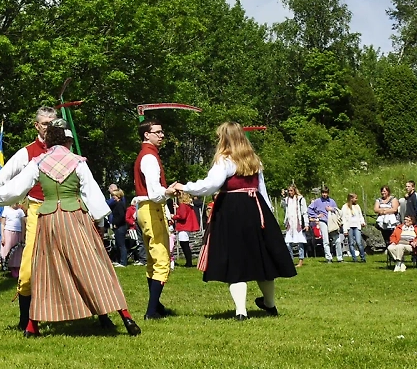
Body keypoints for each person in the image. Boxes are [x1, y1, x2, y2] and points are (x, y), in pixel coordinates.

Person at [0, 118, 139, 338]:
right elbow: (92, 195)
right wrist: (101, 223)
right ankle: (126, 316)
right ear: (67, 141)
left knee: (45, 271)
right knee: (95, 267)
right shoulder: (78, 163)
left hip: (48, 220)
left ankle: (31, 327)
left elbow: (14, 192)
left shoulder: (37, 162)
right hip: (75, 218)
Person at [171, 122, 296, 320]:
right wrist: (268, 215)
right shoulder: (254, 159)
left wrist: (185, 186)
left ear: (225, 138)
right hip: (257, 209)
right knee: (262, 258)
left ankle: (241, 311)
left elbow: (210, 186)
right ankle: (270, 304)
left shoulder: (225, 159)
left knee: (236, 258)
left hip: (232, 211)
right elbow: (261, 189)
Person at [0, 106, 55, 332]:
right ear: (37, 126)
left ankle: (99, 314)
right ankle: (26, 320)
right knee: (28, 268)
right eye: (45, 124)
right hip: (36, 212)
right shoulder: (28, 153)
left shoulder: (65, 150)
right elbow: (4, 176)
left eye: (53, 124)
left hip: (64, 211)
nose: (49, 128)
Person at [131, 120, 176, 319]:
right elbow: (155, 192)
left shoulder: (147, 155)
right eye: (157, 132)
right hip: (151, 208)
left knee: (152, 259)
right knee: (161, 259)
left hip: (145, 208)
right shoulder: (149, 157)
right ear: (146, 135)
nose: (161, 135)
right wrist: (169, 191)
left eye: (161, 131)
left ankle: (156, 306)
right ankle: (151, 311)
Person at [308, 187, 338, 262]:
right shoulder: (317, 201)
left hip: (331, 221)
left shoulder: (332, 201)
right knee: (326, 240)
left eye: (326, 193)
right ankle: (328, 258)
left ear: (328, 193)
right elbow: (309, 209)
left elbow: (337, 210)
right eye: (323, 193)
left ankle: (339, 257)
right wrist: (316, 216)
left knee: (337, 239)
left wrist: (332, 209)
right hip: (322, 221)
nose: (324, 194)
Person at [282, 185, 308, 268]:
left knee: (300, 242)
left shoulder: (300, 199)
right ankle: (290, 259)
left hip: (298, 224)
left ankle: (301, 260)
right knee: (287, 243)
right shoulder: (287, 200)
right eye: (289, 191)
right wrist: (283, 196)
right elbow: (282, 207)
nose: (290, 192)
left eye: (291, 191)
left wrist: (306, 224)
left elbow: (304, 212)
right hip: (290, 224)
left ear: (295, 191)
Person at [0, 202, 26, 277]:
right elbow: (2, 223)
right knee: (8, 250)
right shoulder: (6, 210)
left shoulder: (20, 211)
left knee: (17, 252)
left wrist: (22, 235)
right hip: (8, 232)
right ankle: (10, 267)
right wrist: (3, 236)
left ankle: (17, 267)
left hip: (18, 232)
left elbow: (23, 224)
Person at [341, 193, 366, 263]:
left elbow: (360, 215)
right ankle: (354, 258)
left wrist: (362, 222)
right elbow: (343, 219)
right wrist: (345, 230)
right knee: (351, 243)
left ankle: (362, 257)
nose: (356, 200)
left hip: (357, 226)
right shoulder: (345, 207)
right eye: (355, 198)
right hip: (349, 227)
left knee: (359, 242)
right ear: (351, 199)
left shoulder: (357, 206)